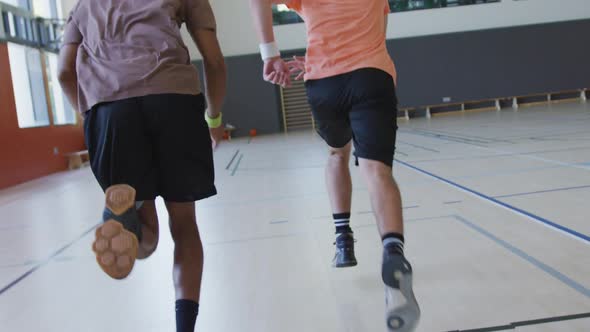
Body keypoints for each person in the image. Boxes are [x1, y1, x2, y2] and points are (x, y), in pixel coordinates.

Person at [248, 1, 420, 331]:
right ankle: (392, 250)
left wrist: (269, 53)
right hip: (372, 77)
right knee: (376, 170)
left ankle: (343, 240)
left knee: (336, 155)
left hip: (324, 82)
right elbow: (378, 34)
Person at [57, 1, 226, 331]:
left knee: (146, 235)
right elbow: (215, 62)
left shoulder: (84, 5)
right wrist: (214, 117)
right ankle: (184, 328)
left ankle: (123, 221)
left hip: (110, 110)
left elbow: (64, 72)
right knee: (185, 226)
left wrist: (91, 119)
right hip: (174, 101)